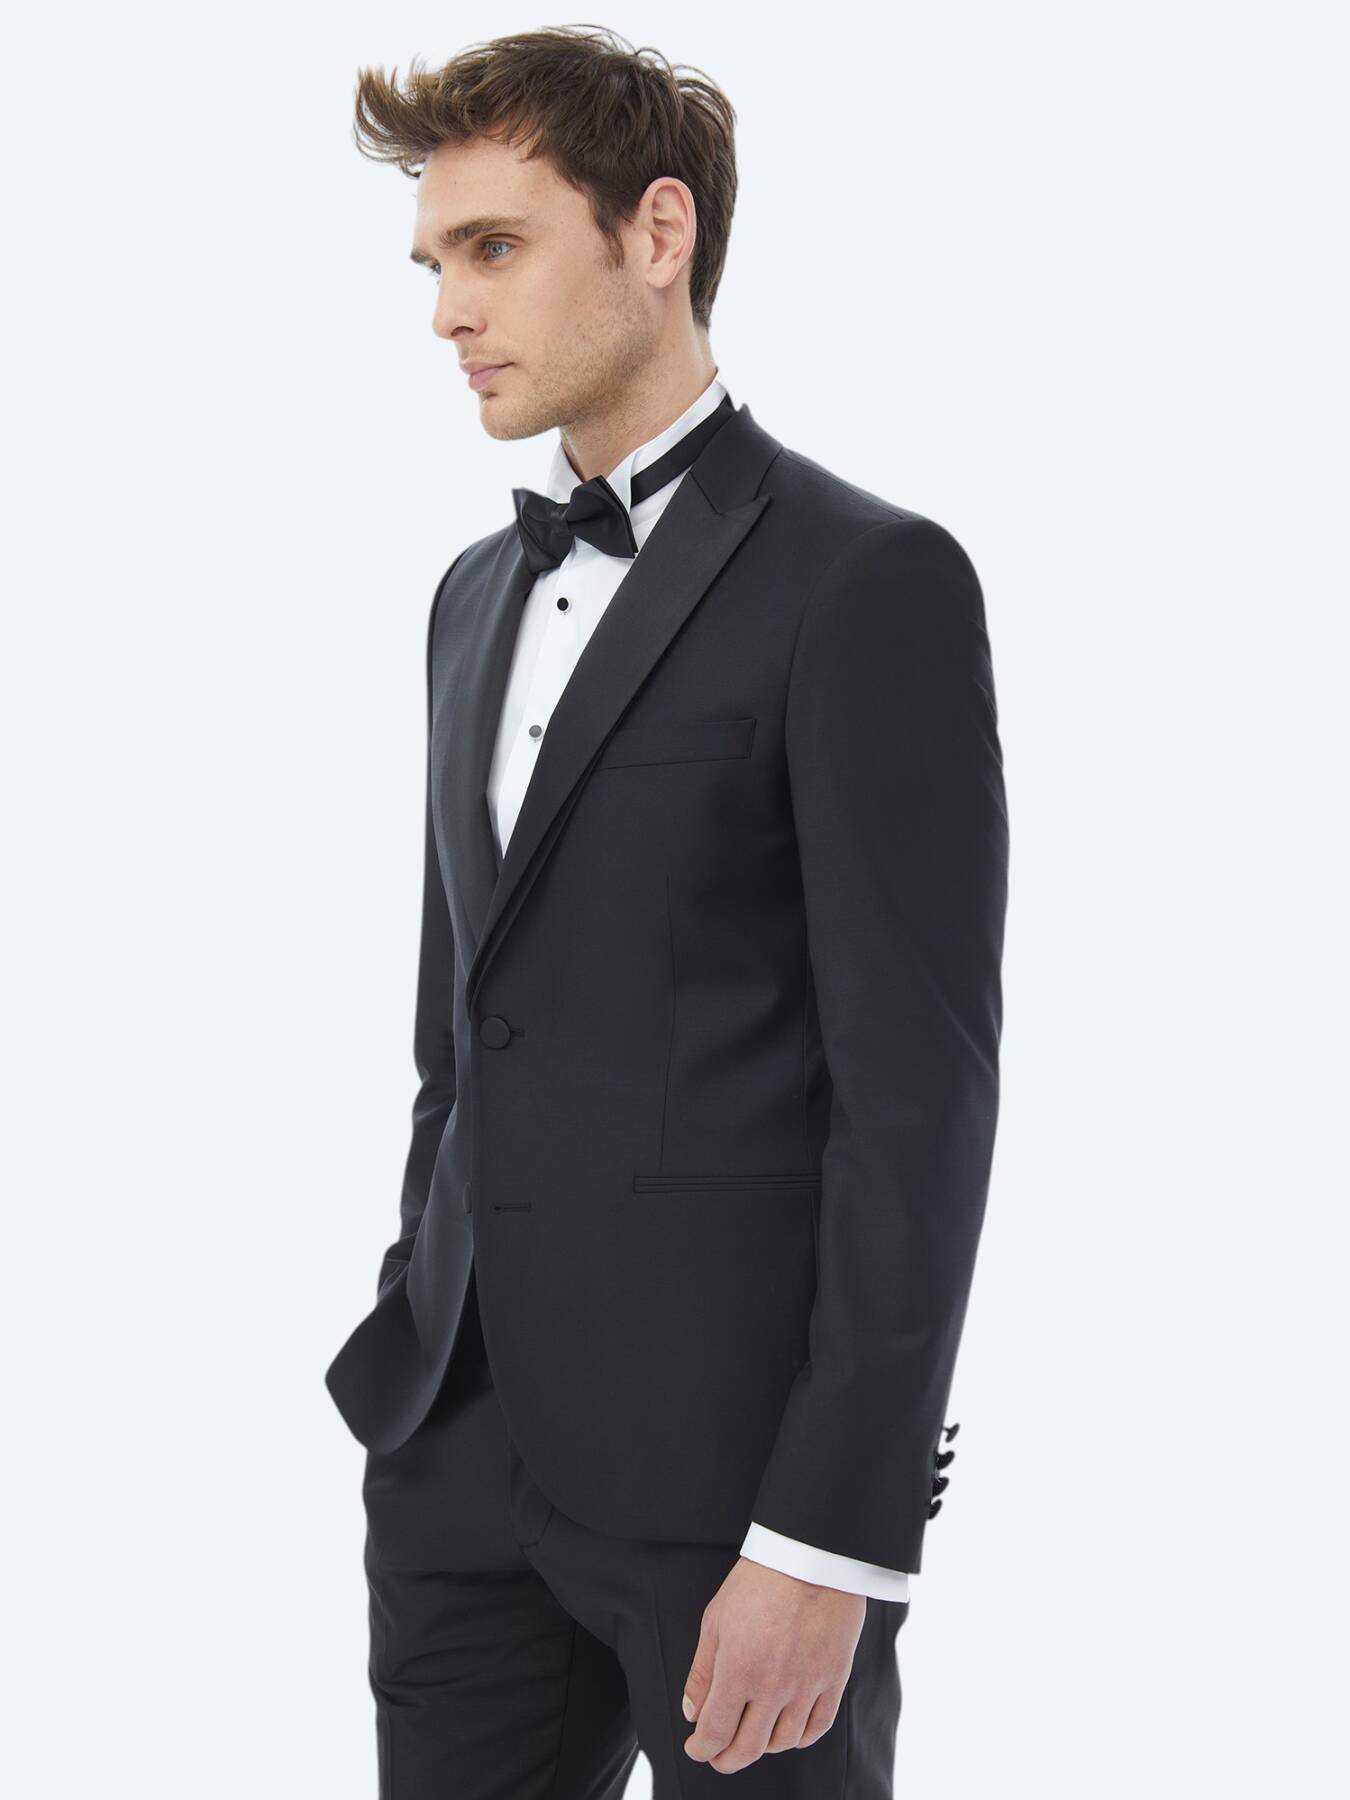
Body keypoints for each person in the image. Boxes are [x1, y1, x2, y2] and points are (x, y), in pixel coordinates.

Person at [325, 25, 1009, 1797]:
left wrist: (829, 1533)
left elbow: (918, 1100)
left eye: (492, 247)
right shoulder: (469, 597)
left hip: (734, 1497)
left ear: (655, 232)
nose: (447, 310)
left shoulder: (865, 580)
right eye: (431, 262)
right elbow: (459, 1031)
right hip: (454, 1457)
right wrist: (415, 1316)